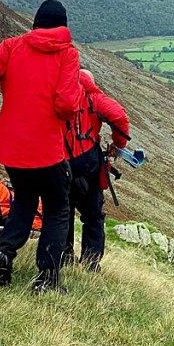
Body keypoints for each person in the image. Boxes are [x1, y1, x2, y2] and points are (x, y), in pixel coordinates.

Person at [0, 0, 82, 293]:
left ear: (36, 24)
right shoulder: (67, 55)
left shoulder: (12, 46)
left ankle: (4, 252)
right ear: (63, 26)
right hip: (46, 147)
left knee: (25, 200)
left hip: (12, 146)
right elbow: (67, 104)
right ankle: (47, 278)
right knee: (56, 208)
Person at [62, 69, 130, 273]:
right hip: (87, 163)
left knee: (61, 212)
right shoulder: (94, 99)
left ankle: (64, 256)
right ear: (90, 82)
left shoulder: (59, 94)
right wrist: (118, 146)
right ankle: (91, 262)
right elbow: (119, 117)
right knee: (93, 215)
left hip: (58, 162)